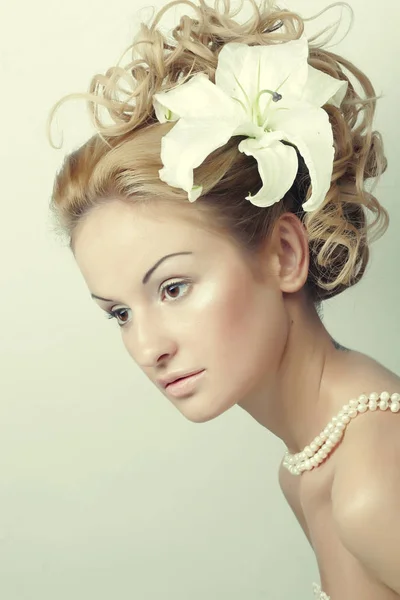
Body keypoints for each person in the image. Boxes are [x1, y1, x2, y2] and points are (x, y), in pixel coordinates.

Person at [46, 0, 400, 597]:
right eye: (120, 313)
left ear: (284, 254)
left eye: (174, 287)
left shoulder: (372, 488)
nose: (146, 347)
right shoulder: (310, 470)